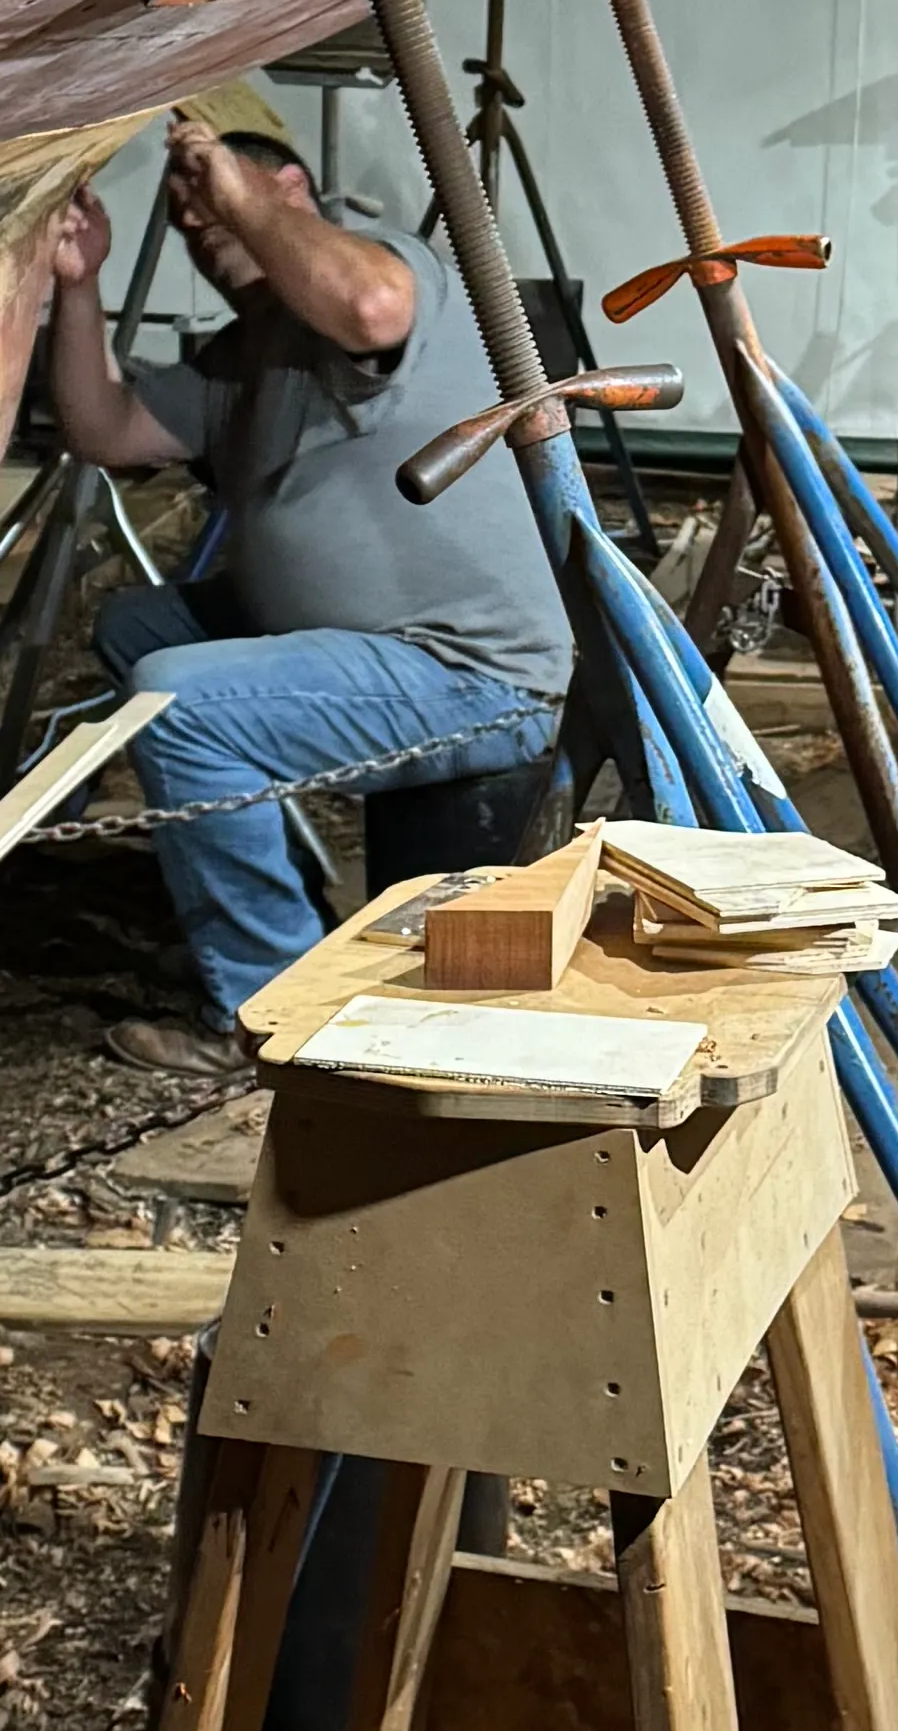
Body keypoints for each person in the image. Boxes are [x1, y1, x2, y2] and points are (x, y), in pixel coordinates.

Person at [39, 107, 568, 1051]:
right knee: (141, 629)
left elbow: (368, 308)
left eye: (215, 212)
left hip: (473, 672)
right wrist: (78, 288)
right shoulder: (246, 358)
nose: (205, 235)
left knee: (181, 704)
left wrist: (227, 181)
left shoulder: (385, 269)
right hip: (376, 650)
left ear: (288, 194)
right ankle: (288, 924)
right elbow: (105, 431)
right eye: (193, 227)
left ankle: (271, 1014)